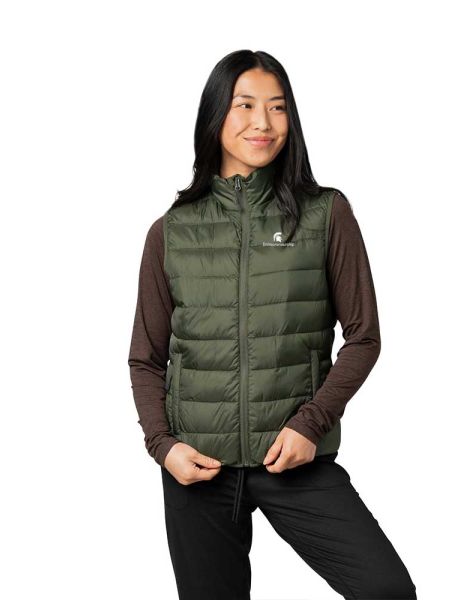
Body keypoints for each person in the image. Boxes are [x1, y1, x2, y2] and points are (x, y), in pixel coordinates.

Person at [128, 49, 418, 600]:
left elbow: (364, 337)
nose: (262, 122)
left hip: (294, 458)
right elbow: (146, 357)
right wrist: (163, 446)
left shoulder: (325, 214)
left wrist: (310, 425)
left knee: (385, 590)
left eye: (277, 107)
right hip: (198, 467)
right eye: (245, 105)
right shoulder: (171, 231)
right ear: (215, 114)